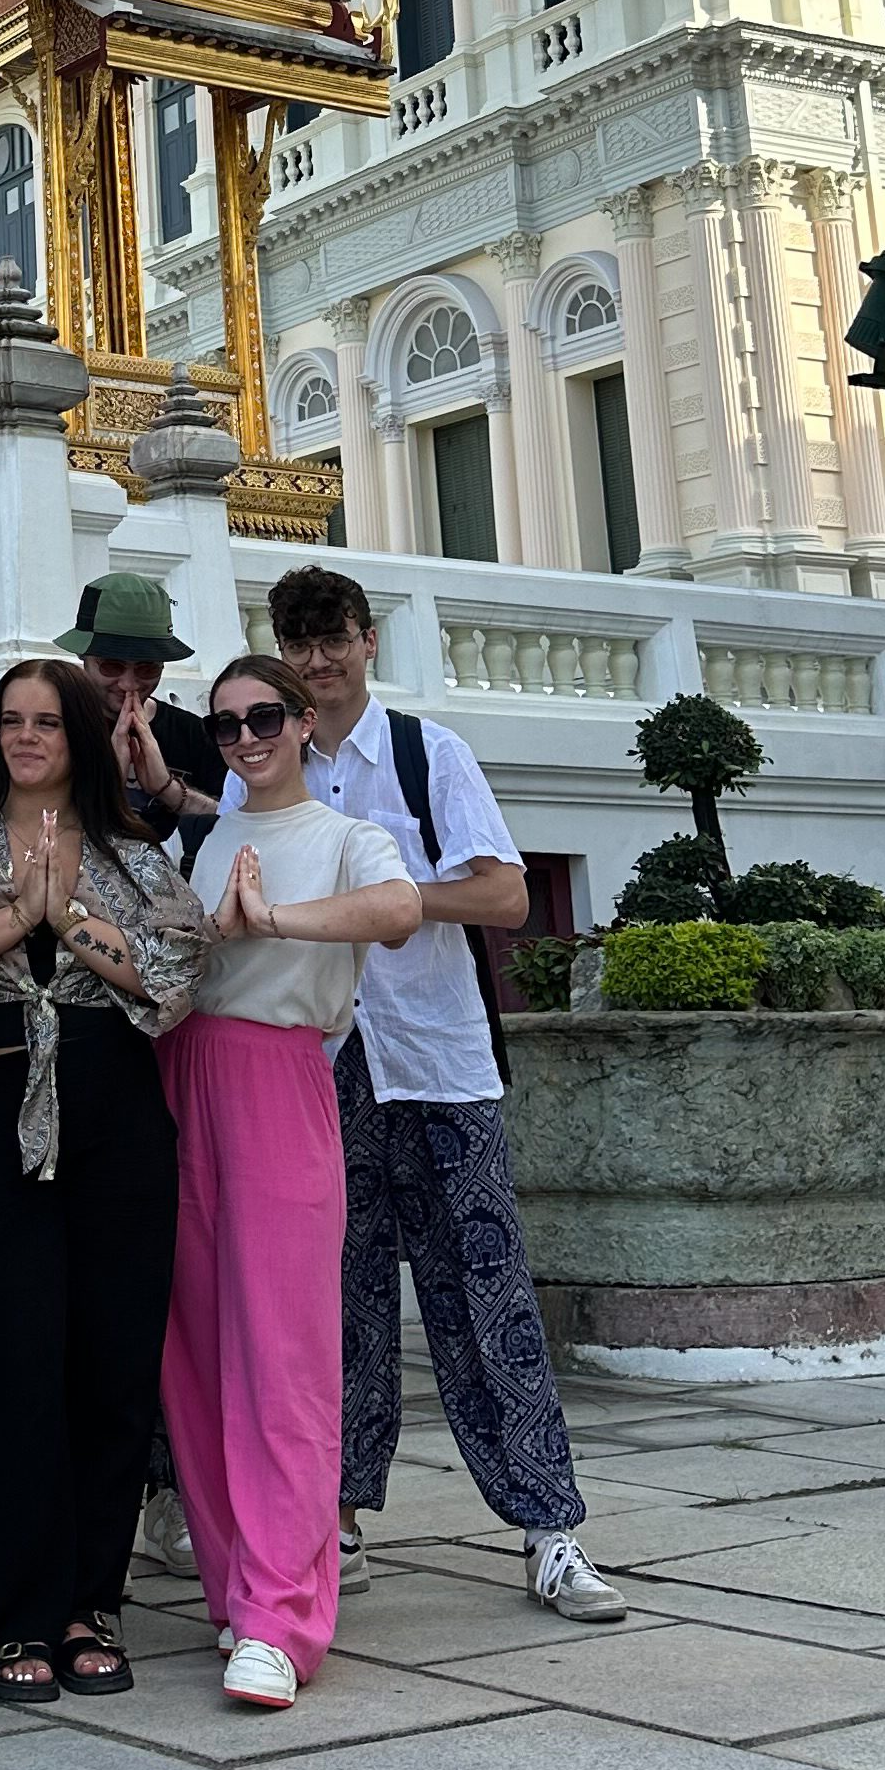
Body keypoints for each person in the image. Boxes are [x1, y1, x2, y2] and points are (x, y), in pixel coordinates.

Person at [265, 564, 623, 1624]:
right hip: (327, 1062)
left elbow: (505, 891)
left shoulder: (427, 755)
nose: (319, 662)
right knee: (338, 1296)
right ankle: (335, 1510)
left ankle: (549, 1526)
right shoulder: (269, 765)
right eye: (300, 643)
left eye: (334, 640)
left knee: (486, 1296)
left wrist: (389, 902)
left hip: (438, 1059)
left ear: (368, 642)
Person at [0, 660, 205, 1705]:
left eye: (44, 722)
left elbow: (173, 975)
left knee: (112, 1363)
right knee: (19, 1364)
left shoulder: (130, 849)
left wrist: (66, 919)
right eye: (11, 721)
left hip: (116, 1111)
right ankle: (18, 1612)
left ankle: (90, 1605)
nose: (25, 737)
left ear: (78, 733)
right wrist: (20, 914)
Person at [170, 654, 419, 1710]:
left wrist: (274, 923)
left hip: (281, 1080)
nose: (244, 738)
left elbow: (399, 910)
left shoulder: (346, 836)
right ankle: (236, 1586)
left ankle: (283, 1613)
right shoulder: (212, 835)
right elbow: (179, 961)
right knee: (199, 1353)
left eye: (262, 717)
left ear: (303, 722)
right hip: (184, 1078)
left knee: (287, 1356)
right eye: (225, 725)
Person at [55, 576, 222, 868]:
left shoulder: (194, 734)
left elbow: (234, 824)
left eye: (146, 669)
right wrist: (107, 781)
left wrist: (167, 789)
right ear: (84, 656)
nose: (128, 683)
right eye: (111, 666)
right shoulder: (55, 729)